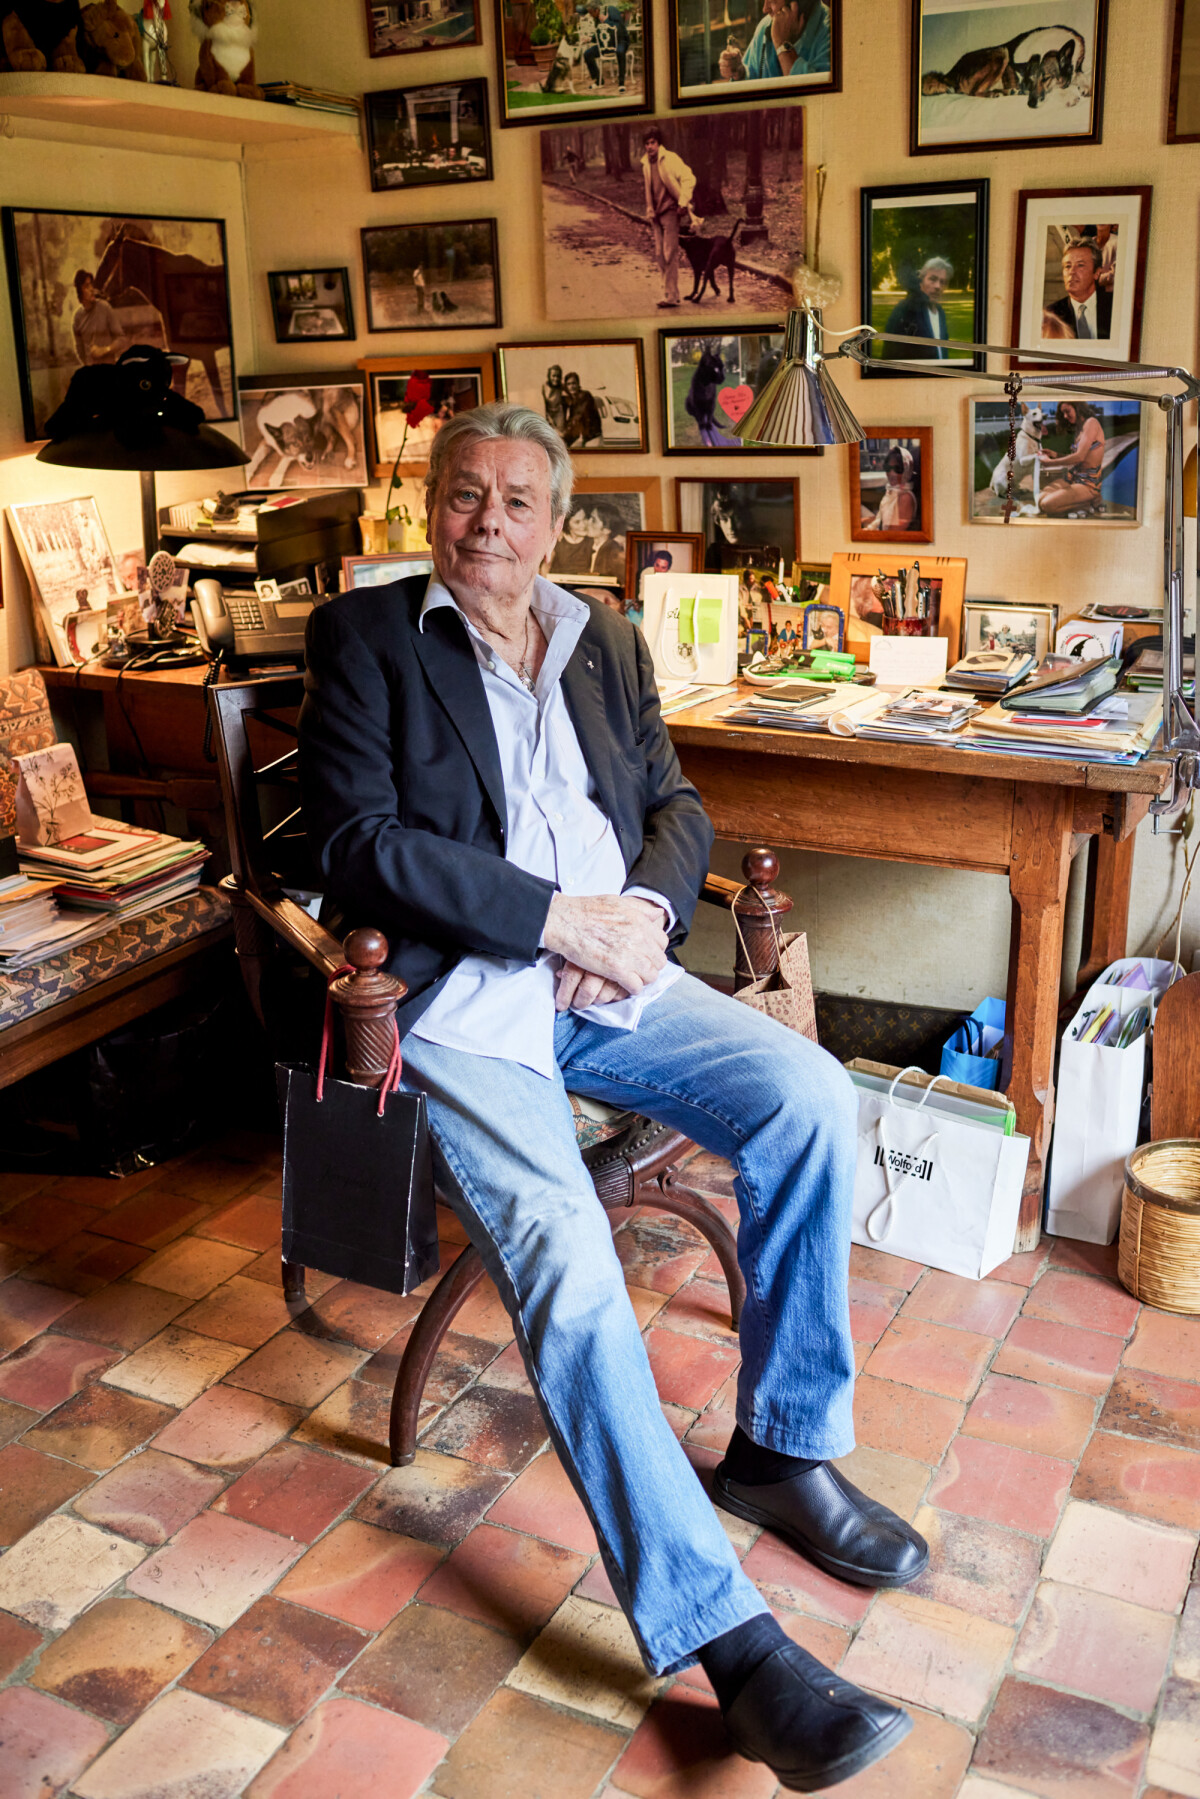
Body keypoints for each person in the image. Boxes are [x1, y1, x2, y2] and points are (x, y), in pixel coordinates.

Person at [298, 403, 924, 1793]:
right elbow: (352, 839)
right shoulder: (369, 640)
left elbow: (678, 804)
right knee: (576, 1260)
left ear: (557, 516)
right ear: (430, 504)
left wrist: (638, 908)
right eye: (466, 496)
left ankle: (782, 1445)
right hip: (468, 1004)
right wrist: (553, 921)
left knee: (810, 1095)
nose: (490, 525)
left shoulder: (612, 640)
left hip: (616, 982)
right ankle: (729, 1638)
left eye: (521, 501)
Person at [641, 129, 696, 310]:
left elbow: (689, 177)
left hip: (671, 212)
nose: (650, 147)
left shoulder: (670, 159)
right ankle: (672, 293)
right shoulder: (646, 164)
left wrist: (683, 202)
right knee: (659, 255)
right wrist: (650, 210)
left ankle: (670, 297)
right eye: (647, 143)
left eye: (653, 143)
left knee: (669, 253)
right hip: (655, 215)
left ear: (659, 144)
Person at [1036, 399, 1106, 514]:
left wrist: (1049, 463)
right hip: (1073, 479)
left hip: (1088, 484)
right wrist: (1055, 455)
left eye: (1067, 411)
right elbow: (1077, 457)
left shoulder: (1091, 423)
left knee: (1047, 505)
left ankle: (1090, 501)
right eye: (1063, 413)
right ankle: (1084, 503)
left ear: (1077, 408)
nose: (1065, 416)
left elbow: (1080, 457)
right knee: (1039, 499)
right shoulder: (1079, 428)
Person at [882, 256, 953, 359]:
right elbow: (891, 356)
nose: (938, 286)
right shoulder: (905, 311)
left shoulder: (940, 312)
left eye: (942, 282)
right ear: (921, 281)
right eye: (933, 279)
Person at [742, 0, 830, 79]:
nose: (765, 9)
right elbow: (752, 73)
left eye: (772, 1)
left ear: (798, 3)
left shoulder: (832, 31)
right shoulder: (765, 26)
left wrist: (782, 45)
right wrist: (741, 74)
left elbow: (814, 95)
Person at [1047, 240, 1112, 340]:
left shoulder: (1115, 306)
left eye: (1080, 265)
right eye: (1067, 266)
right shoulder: (1052, 315)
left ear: (1097, 273)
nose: (1072, 272)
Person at [71, 270, 124, 367]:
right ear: (80, 292)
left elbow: (121, 340)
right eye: (87, 287)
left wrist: (105, 350)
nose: (92, 289)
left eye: (91, 285)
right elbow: (79, 350)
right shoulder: (78, 317)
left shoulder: (104, 307)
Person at [861, 445, 919, 533]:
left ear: (907, 469)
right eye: (888, 468)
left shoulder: (905, 497)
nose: (892, 474)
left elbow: (892, 535)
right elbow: (880, 519)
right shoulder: (891, 491)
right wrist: (867, 528)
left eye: (897, 469)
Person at [562, 371, 603, 447]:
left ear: (578, 384)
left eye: (574, 383)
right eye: (568, 384)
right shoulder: (572, 401)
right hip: (585, 438)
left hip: (594, 438)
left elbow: (577, 418)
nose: (571, 386)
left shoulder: (585, 396)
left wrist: (564, 440)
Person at [542, 365, 567, 436]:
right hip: (548, 414)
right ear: (549, 376)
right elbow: (542, 404)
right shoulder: (544, 387)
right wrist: (547, 418)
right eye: (553, 376)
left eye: (558, 376)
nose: (556, 378)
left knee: (561, 435)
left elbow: (571, 392)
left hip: (559, 414)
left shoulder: (561, 386)